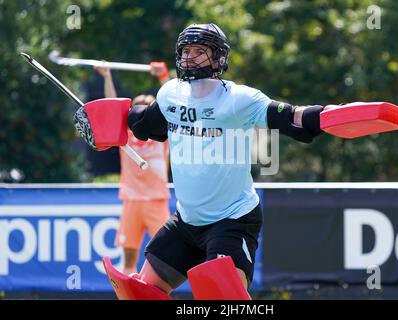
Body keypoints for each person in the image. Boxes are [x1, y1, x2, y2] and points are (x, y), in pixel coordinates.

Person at [121, 23, 326, 299]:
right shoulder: (171, 93)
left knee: (225, 298)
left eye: (199, 51)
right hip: (186, 221)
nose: (189, 57)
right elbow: (146, 125)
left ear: (219, 58)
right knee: (140, 293)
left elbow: (291, 118)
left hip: (232, 220)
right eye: (186, 50)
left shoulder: (239, 99)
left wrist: (327, 117)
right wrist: (107, 120)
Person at [94, 61, 171, 274]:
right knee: (128, 260)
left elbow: (176, 107)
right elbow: (111, 107)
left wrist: (163, 77)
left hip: (156, 200)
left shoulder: (163, 136)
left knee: (165, 257)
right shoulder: (125, 136)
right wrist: (107, 75)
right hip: (132, 200)